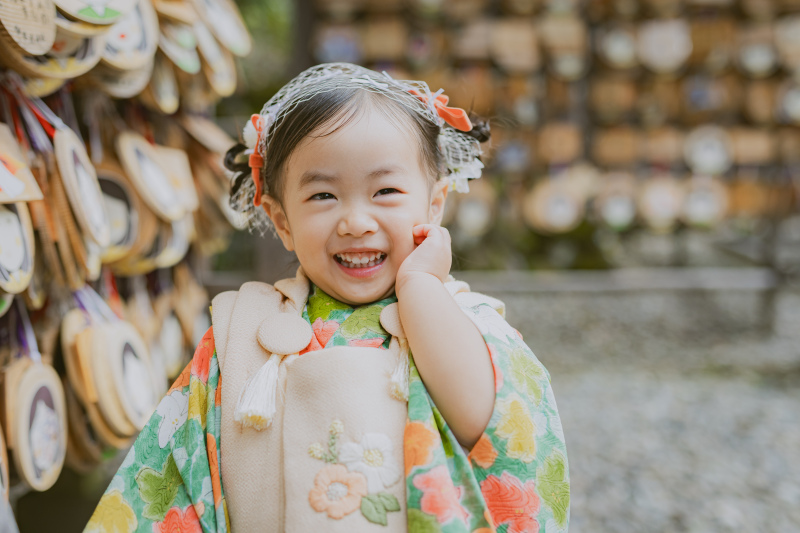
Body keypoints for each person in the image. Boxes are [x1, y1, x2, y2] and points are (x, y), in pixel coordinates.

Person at [85, 63, 569, 533]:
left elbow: (486, 426)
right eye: (322, 196)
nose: (355, 221)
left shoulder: (464, 319)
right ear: (281, 221)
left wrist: (420, 287)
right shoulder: (245, 336)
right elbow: (174, 478)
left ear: (434, 203)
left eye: (385, 190)